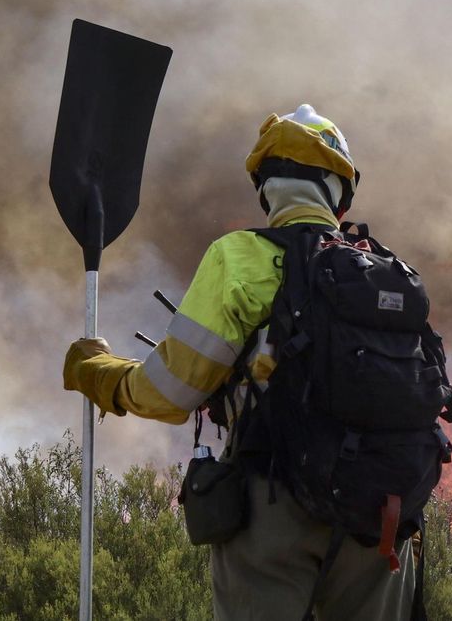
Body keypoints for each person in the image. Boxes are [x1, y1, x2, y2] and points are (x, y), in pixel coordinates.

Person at [63, 105, 417, 620]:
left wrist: (101, 374)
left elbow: (170, 392)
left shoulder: (240, 258)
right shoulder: (388, 271)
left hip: (275, 506)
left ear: (267, 186)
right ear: (339, 188)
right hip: (381, 519)